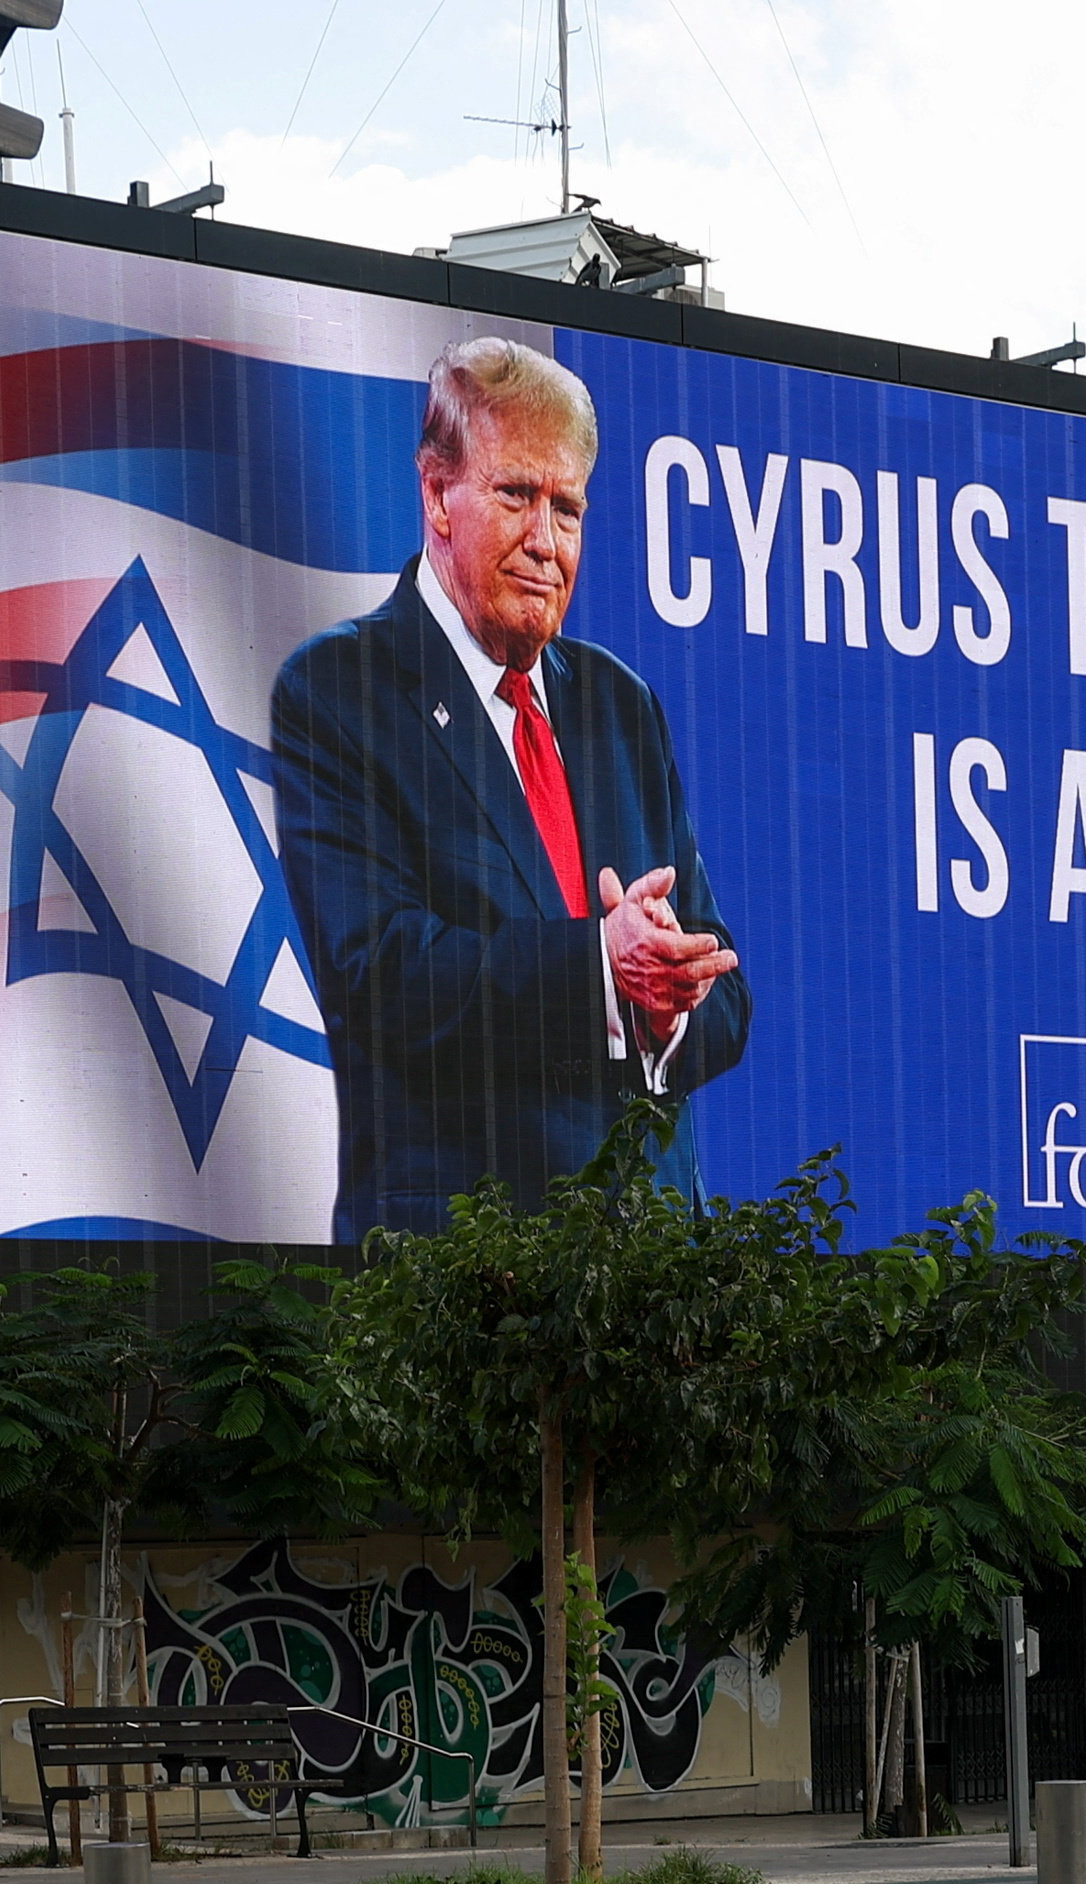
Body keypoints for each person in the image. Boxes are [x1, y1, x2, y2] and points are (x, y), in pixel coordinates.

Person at [268, 339, 751, 1243]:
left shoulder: (621, 706)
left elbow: (722, 988)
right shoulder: (339, 691)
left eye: (568, 508)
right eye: (517, 495)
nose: (546, 540)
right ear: (435, 495)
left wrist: (665, 1000)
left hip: (655, 1300)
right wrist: (599, 971)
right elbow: (380, 976)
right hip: (464, 1293)